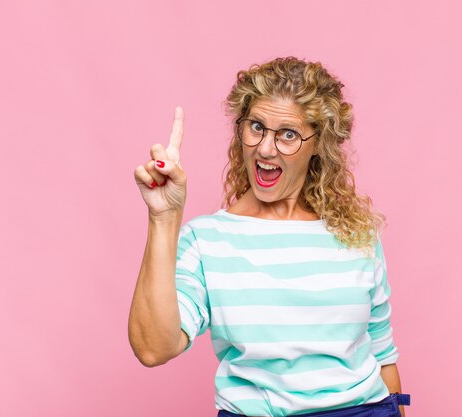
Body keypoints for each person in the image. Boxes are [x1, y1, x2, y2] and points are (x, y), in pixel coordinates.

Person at [129, 57, 410, 417]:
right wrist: (163, 218)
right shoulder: (208, 240)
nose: (265, 148)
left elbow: (383, 355)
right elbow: (153, 348)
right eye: (257, 127)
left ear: (318, 144)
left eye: (288, 134)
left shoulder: (357, 233)